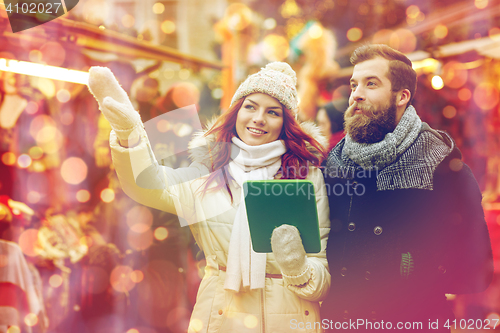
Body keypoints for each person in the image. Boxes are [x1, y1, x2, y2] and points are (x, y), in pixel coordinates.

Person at [88, 62, 331, 332]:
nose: (259, 118)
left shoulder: (306, 175)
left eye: (273, 112)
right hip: (221, 317)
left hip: (291, 321)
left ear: (285, 123)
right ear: (236, 112)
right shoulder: (210, 171)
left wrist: (298, 268)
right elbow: (149, 185)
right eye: (250, 106)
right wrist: (129, 134)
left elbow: (322, 275)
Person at [320, 44, 493, 332]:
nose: (356, 94)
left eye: (370, 83)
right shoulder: (334, 165)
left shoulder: (442, 168)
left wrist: (412, 269)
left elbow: (475, 271)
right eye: (354, 85)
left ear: (402, 96)